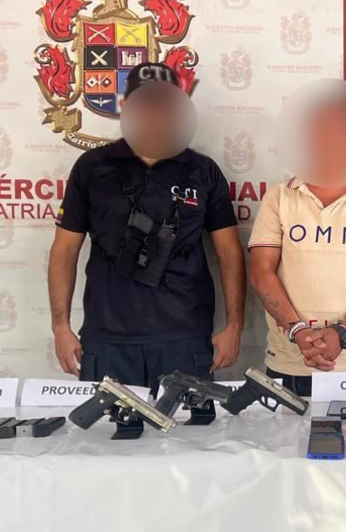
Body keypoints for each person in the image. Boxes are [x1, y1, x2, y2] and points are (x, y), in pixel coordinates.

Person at [47, 62, 246, 393]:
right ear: (126, 106)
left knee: (187, 427)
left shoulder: (202, 170)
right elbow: (64, 250)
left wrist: (235, 326)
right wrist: (60, 326)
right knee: (108, 428)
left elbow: (229, 253)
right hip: (107, 338)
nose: (156, 113)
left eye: (166, 104)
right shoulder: (93, 167)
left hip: (185, 335)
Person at [247, 81, 346, 397]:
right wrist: (297, 331)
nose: (329, 140)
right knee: (283, 431)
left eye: (338, 132)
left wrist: (344, 333)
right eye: (320, 131)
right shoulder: (279, 197)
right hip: (290, 357)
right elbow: (261, 271)